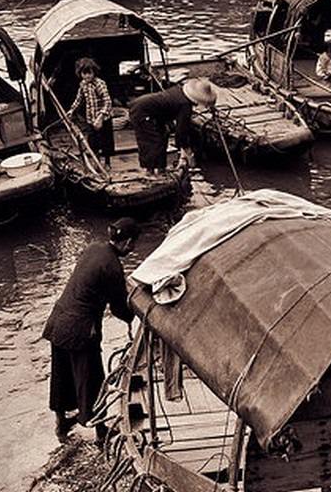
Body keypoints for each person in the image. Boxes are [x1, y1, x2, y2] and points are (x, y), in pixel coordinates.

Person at [43, 218, 140, 445]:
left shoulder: (93, 248)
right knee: (92, 379)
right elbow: (119, 308)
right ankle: (100, 432)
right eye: (134, 244)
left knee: (61, 375)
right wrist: (133, 315)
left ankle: (62, 424)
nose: (133, 248)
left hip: (59, 321)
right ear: (126, 242)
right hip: (81, 330)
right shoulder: (113, 266)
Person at [129, 78, 216, 176]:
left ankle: (161, 168)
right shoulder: (185, 105)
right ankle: (150, 171)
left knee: (163, 135)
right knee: (153, 141)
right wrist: (186, 149)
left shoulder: (179, 90)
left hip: (153, 111)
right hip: (142, 111)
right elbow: (181, 131)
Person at [68, 57, 114, 167]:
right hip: (91, 118)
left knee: (106, 141)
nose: (87, 76)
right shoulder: (83, 84)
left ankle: (107, 163)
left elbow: (108, 102)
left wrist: (101, 117)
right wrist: (72, 110)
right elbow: (79, 99)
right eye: (84, 74)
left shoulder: (99, 84)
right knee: (93, 142)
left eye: (89, 73)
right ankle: (96, 161)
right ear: (80, 74)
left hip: (104, 119)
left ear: (94, 72)